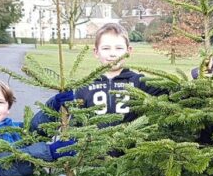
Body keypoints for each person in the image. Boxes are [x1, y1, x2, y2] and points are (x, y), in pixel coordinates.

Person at [30, 22, 161, 132]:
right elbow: (69, 123)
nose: (113, 54)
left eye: (119, 48)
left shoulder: (140, 82)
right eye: (106, 48)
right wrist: (57, 103)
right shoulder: (85, 86)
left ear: (129, 51)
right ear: (96, 52)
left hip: (130, 157)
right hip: (93, 156)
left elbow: (173, 96)